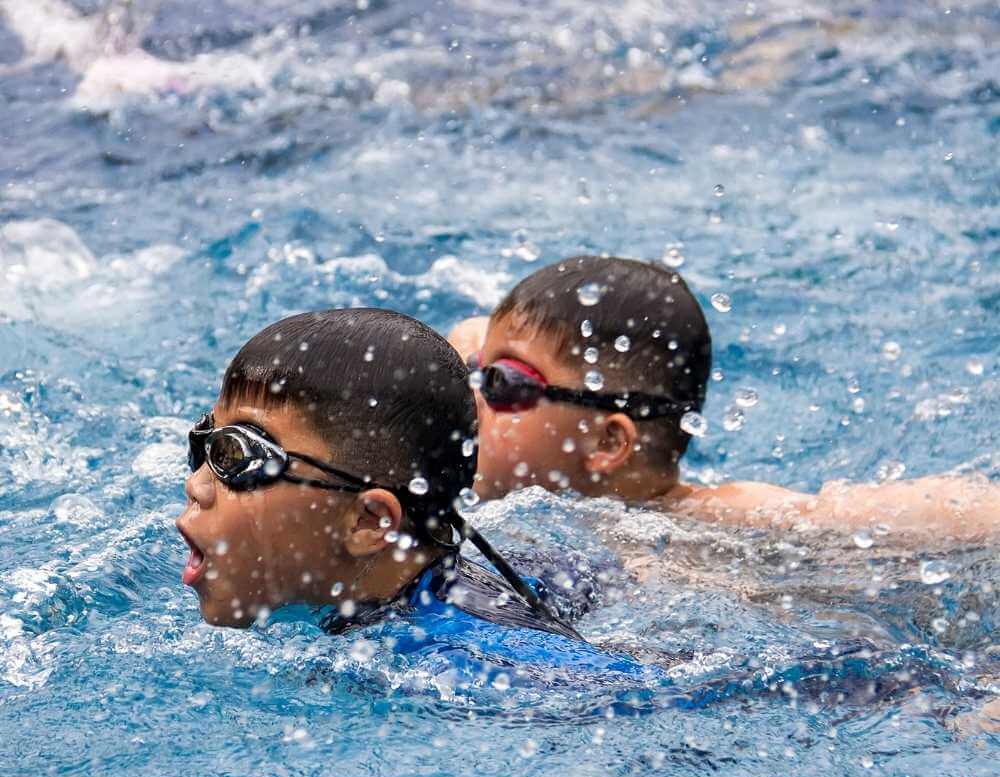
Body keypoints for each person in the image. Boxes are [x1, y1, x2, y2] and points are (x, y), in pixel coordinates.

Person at [175, 307, 649, 680]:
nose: (196, 485)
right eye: (205, 441)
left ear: (368, 522)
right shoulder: (394, 592)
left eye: (237, 456)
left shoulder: (469, 670)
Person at [450, 256, 999, 544]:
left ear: (607, 441)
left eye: (504, 386)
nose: (469, 399)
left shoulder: (718, 529)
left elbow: (956, 516)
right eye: (478, 375)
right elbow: (469, 337)